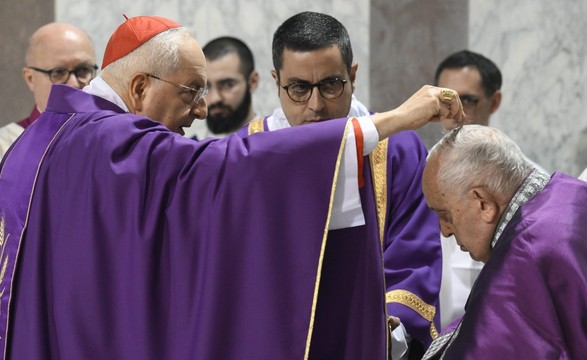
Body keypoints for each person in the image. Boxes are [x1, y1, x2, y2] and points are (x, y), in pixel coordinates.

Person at [0, 15, 464, 359]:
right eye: (191, 92)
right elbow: (222, 169)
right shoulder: (112, 141)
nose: (202, 111)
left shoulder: (46, 139)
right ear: (140, 87)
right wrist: (395, 120)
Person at [239, 11, 443, 359]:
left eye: (331, 84)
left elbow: (414, 249)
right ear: (277, 82)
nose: (316, 106)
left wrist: (392, 323)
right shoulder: (249, 155)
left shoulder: (397, 151)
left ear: (353, 75)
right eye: (299, 88)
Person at [421, 125, 587, 359]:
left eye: (445, 215)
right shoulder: (571, 193)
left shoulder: (521, 263)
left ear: (484, 204)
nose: (444, 231)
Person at [434, 50, 547, 330]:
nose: (454, 112)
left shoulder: (529, 183)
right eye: (444, 101)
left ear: (494, 101)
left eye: (467, 100)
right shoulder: (422, 178)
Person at [0, 22, 97, 160]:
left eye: (83, 70)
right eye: (58, 72)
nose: (74, 84)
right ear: (30, 78)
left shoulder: (112, 140)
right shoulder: (6, 147)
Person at [185, 36, 259, 140]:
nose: (215, 98)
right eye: (206, 87)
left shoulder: (275, 145)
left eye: (227, 85)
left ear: (253, 82)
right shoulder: (190, 152)